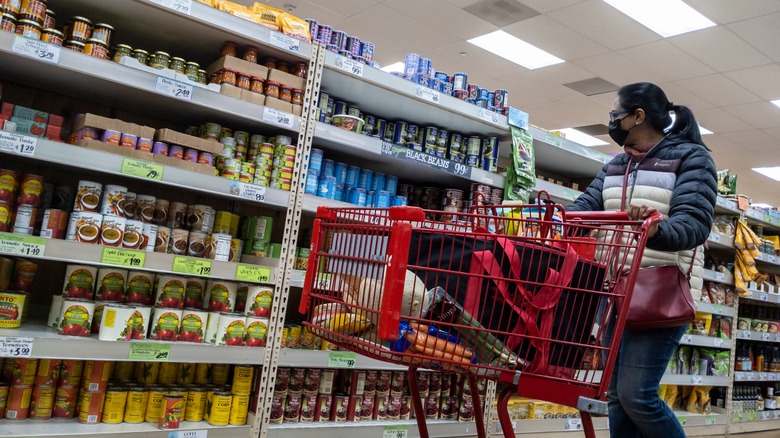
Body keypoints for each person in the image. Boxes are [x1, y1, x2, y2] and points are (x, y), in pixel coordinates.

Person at [567, 82, 718, 437]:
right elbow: (584, 207)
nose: (611, 121)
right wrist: (555, 217)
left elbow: (694, 224)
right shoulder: (616, 165)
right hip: (614, 291)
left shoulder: (692, 158)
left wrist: (655, 228)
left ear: (637, 117)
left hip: (659, 291)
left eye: (614, 115)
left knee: (638, 395)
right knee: (617, 395)